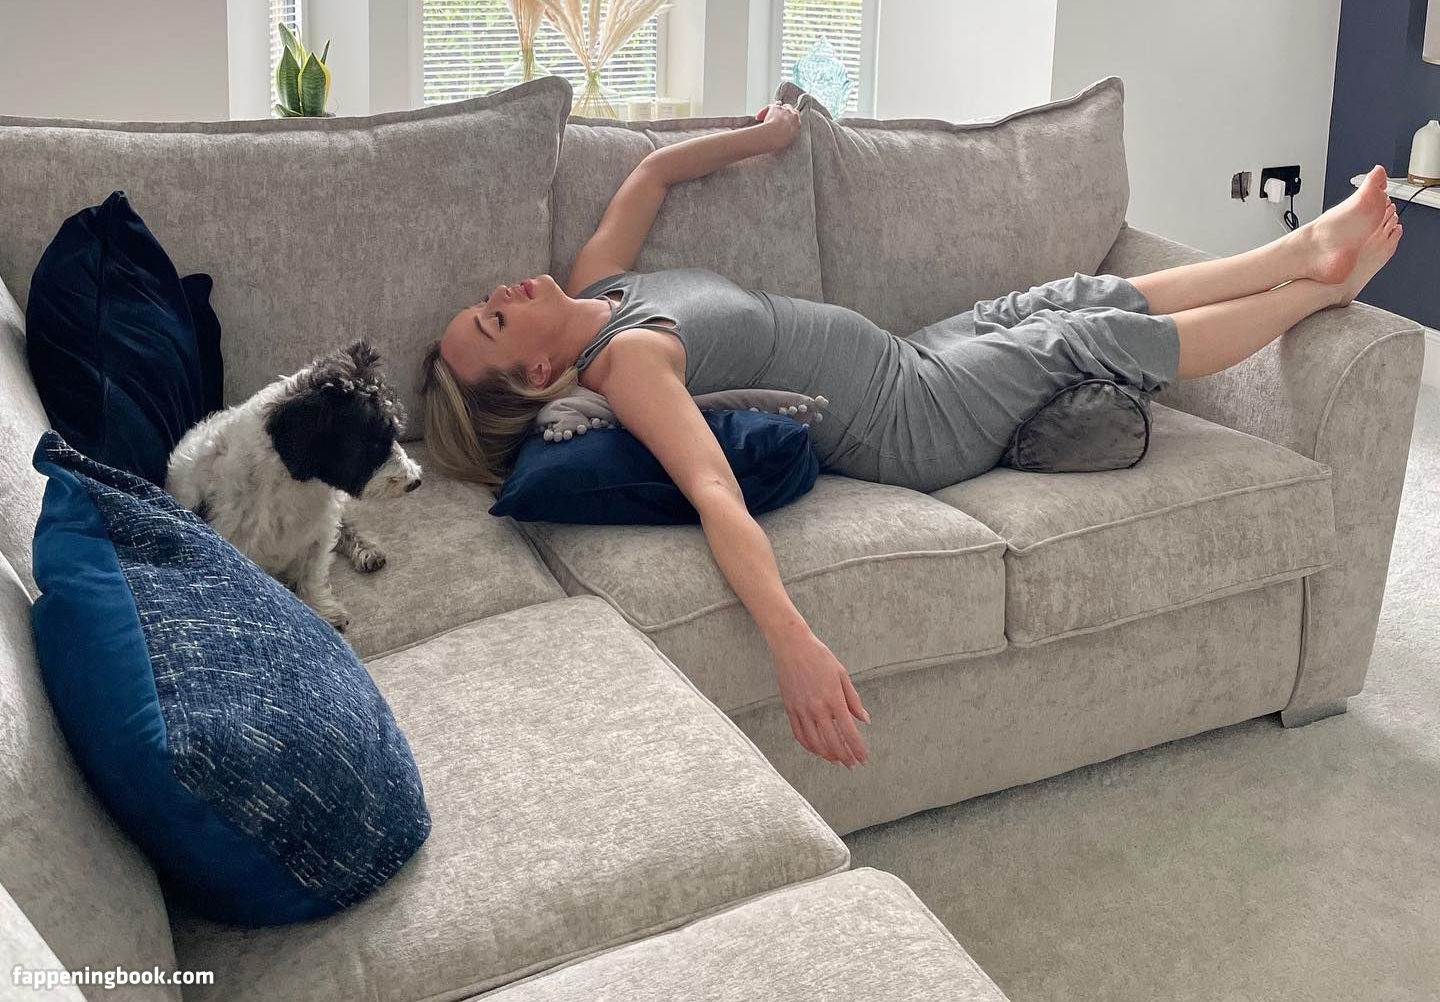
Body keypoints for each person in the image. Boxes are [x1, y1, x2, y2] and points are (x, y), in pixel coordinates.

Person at [420, 101, 1403, 771]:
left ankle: (1299, 249)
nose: (501, 292)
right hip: (913, 423)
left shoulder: (600, 288)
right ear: (540, 375)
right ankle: (1315, 288)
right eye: (496, 321)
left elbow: (649, 173)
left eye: (486, 304)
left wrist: (767, 136)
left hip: (906, 356)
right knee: (1084, 338)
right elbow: (713, 488)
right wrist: (795, 643)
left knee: (1064, 297)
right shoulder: (629, 365)